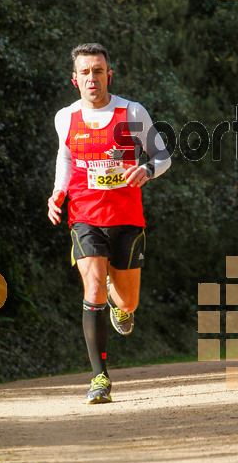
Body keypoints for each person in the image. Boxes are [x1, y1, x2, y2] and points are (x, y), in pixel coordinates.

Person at [48, 42, 171, 404]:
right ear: (75, 79)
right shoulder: (65, 117)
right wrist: (58, 192)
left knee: (128, 301)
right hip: (84, 214)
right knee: (94, 286)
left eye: (98, 71)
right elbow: (66, 157)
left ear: (108, 75)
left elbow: (162, 154)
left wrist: (147, 169)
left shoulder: (132, 112)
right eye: (85, 72)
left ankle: (123, 308)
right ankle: (99, 377)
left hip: (126, 216)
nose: (92, 78)